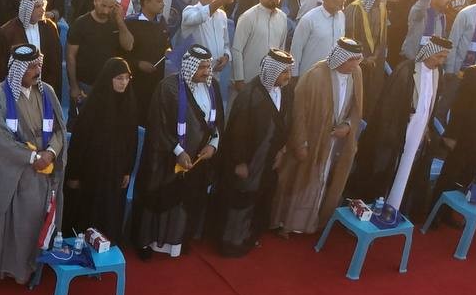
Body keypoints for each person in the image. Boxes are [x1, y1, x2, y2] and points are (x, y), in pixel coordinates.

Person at [0, 43, 62, 284]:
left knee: (30, 222)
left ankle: (28, 269)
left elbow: (59, 130)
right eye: (31, 67)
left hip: (40, 172)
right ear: (17, 69)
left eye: (38, 65)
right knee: (3, 223)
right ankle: (1, 270)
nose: (37, 71)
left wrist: (51, 153)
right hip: (8, 172)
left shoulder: (47, 93)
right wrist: (31, 157)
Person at [274, 39, 369, 235]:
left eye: (357, 60)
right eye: (351, 60)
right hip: (311, 142)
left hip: (335, 144)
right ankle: (290, 224)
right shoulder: (315, 75)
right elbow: (298, 113)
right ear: (340, 58)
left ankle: (316, 221)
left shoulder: (356, 74)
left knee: (326, 181)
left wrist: (348, 126)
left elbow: (357, 108)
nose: (354, 64)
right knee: (302, 183)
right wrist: (301, 143)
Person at [136, 45, 222, 257]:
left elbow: (218, 121)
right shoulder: (168, 88)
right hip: (167, 160)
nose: (206, 72)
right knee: (162, 199)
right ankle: (152, 243)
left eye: (208, 66)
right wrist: (178, 151)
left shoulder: (213, 87)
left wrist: (213, 145)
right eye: (201, 67)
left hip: (198, 160)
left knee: (187, 202)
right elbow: (158, 125)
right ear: (189, 66)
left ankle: (178, 243)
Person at [212, 48, 297, 257]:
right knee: (240, 199)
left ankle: (249, 237)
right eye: (284, 72)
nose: (288, 76)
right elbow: (237, 132)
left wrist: (282, 150)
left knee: (261, 197)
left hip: (269, 159)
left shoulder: (286, 92)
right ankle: (230, 243)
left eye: (289, 71)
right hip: (248, 161)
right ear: (272, 71)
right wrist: (240, 162)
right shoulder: (250, 95)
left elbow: (286, 123)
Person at [366, 38, 448, 215]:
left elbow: (430, 105)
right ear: (429, 53)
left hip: (419, 130)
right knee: (388, 167)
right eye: (439, 56)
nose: (441, 61)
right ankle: (376, 206)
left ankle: (394, 207)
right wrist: (392, 133)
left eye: (444, 58)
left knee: (407, 170)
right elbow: (389, 106)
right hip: (398, 130)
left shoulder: (438, 72)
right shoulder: (407, 70)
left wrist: (426, 127)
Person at [63, 57, 140, 244]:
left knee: (110, 213)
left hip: (115, 173)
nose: (123, 82)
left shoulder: (129, 104)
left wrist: (127, 170)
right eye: (119, 78)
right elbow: (79, 143)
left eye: (127, 78)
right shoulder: (93, 106)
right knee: (87, 215)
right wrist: (74, 175)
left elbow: (132, 141)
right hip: (91, 173)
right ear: (109, 79)